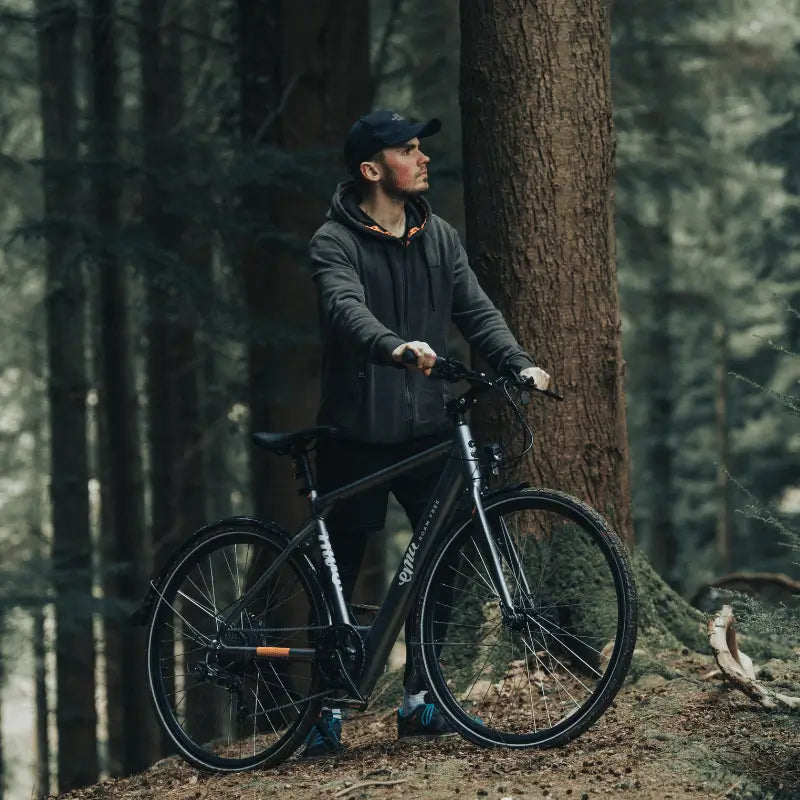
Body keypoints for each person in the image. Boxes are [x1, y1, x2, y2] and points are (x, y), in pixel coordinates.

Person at [303, 110, 550, 757]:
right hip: (355, 431)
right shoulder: (335, 241)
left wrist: (516, 361)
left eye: (420, 148)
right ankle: (322, 710)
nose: (423, 158)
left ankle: (419, 699)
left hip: (425, 431)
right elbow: (343, 307)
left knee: (439, 562)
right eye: (408, 150)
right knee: (339, 572)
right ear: (372, 169)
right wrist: (392, 347)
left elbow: (475, 309)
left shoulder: (437, 235)